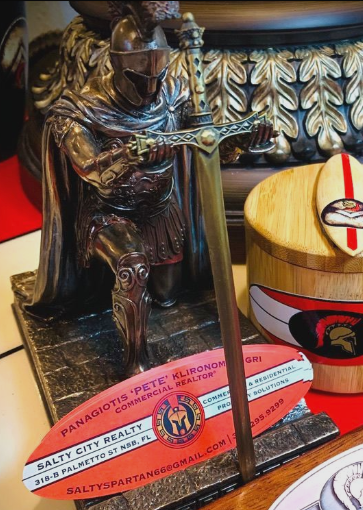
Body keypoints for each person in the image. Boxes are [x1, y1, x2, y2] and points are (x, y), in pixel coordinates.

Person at [25, 2, 274, 376]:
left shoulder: (173, 94)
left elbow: (206, 146)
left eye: (158, 76)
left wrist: (242, 138)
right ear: (116, 64)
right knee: (133, 267)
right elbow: (91, 169)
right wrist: (128, 156)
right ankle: (136, 364)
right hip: (111, 213)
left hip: (162, 212)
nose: (151, 88)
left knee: (168, 296)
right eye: (140, 79)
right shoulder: (81, 109)